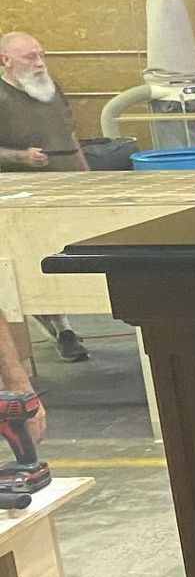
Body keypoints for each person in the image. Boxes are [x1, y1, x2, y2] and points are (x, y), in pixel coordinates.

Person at [0, 32, 90, 362]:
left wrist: (89, 177)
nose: (39, 63)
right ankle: (63, 329)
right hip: (26, 199)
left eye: (41, 55)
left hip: (69, 189)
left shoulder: (50, 88)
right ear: (5, 61)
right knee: (40, 263)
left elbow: (69, 134)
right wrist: (20, 158)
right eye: (29, 57)